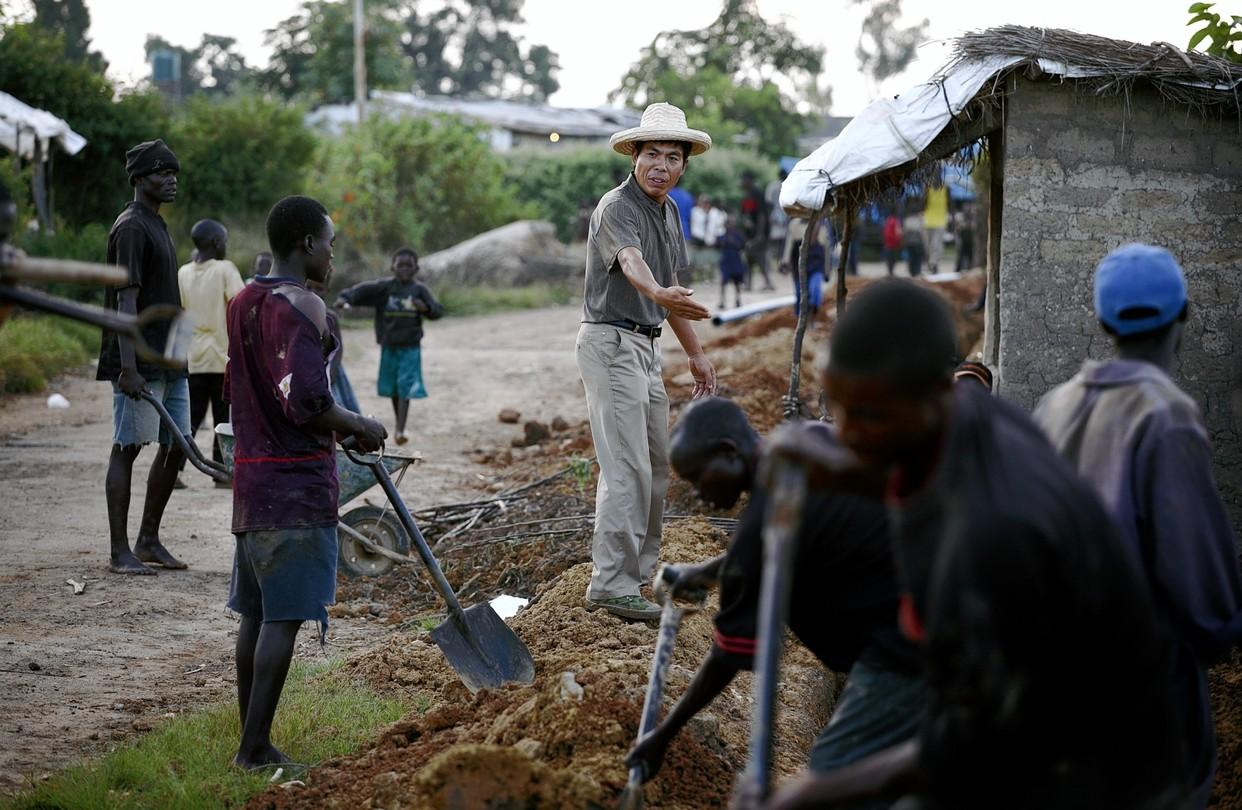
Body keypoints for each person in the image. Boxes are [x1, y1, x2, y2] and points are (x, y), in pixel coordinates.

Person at [764, 280, 1189, 809]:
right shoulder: (968, 416)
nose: (845, 433)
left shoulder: (994, 532)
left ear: (936, 394)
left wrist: (812, 793)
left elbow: (972, 739)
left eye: (869, 415)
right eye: (837, 407)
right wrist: (830, 462)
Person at [625, 397, 923, 801]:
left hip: (902, 651)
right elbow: (774, 542)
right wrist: (707, 573)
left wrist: (662, 736)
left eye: (699, 477)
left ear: (729, 452)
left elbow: (725, 659)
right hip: (931, 600)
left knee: (833, 779)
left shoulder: (759, 532)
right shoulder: (804, 441)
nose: (698, 493)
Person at [1033, 244, 1242, 808]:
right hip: (1140, 712)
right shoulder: (1166, 416)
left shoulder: (1055, 406)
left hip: (1057, 699)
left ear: (1103, 322)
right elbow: (1207, 604)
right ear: (1185, 316)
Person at [225, 195, 386, 770]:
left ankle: (252, 740)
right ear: (307, 245)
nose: (334, 254)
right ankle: (254, 749)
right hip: (294, 486)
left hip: (251, 483)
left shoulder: (243, 299)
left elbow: (264, 389)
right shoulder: (303, 307)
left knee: (257, 613)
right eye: (330, 243)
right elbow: (311, 404)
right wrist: (360, 423)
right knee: (283, 618)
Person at [577, 102, 718, 621]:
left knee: (657, 465)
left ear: (684, 165)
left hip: (646, 345)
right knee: (626, 466)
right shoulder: (617, 207)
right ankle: (609, 584)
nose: (661, 165)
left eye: (673, 157)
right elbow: (635, 266)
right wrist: (657, 290)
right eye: (652, 154)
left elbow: (673, 295)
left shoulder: (671, 211)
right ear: (634, 156)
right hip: (610, 343)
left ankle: (639, 577)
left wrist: (697, 354)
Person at [97, 139, 190, 576]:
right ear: (138, 178)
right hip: (140, 362)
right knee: (128, 447)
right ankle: (120, 552)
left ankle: (148, 539)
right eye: (161, 172)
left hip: (169, 359)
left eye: (173, 172)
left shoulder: (157, 223)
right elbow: (125, 303)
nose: (170, 179)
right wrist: (128, 367)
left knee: (178, 446)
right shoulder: (131, 227)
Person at [335, 247, 443, 445]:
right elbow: (361, 291)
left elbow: (437, 311)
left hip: (410, 347)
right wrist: (345, 298)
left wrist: (426, 308)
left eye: (408, 266)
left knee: (405, 386)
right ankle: (399, 425)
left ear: (416, 268)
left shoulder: (420, 290)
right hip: (389, 346)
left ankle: (400, 429)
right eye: (399, 265)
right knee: (394, 388)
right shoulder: (385, 288)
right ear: (393, 267)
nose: (403, 269)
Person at [177, 219, 244, 482]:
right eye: (224, 241)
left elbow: (179, 314)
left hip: (193, 357)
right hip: (221, 356)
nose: (226, 245)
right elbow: (241, 303)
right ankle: (221, 471)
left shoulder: (183, 273)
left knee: (190, 418)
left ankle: (175, 470)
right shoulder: (225, 269)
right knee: (222, 416)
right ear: (216, 243)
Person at [739, 171, 774, 292]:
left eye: (743, 180)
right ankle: (749, 284)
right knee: (749, 258)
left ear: (749, 180)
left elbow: (761, 215)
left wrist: (760, 234)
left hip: (759, 233)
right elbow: (745, 214)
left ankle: (768, 282)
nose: (741, 182)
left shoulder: (756, 193)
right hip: (750, 233)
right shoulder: (746, 195)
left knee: (759, 257)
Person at [717, 215, 746, 310]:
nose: (729, 225)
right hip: (726, 262)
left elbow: (742, 246)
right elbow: (717, 245)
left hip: (735, 262)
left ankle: (738, 300)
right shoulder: (722, 236)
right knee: (723, 283)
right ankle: (722, 301)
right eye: (727, 223)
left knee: (737, 283)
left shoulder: (737, 235)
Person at [921, 185, 948, 274]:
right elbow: (922, 204)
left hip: (940, 222)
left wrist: (953, 220)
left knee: (936, 245)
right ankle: (930, 264)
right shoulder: (927, 189)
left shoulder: (946, 189)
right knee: (928, 247)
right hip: (927, 222)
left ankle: (934, 264)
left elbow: (950, 205)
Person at [901, 205, 925, 278]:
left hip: (909, 243)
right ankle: (917, 272)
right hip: (917, 243)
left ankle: (912, 273)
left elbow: (904, 232)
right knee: (918, 258)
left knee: (911, 258)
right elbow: (921, 232)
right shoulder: (919, 219)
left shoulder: (907, 219)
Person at [882, 210, 902, 276]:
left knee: (889, 259)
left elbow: (885, 232)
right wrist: (899, 240)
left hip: (887, 243)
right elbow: (898, 232)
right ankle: (891, 272)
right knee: (893, 258)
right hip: (894, 243)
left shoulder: (887, 220)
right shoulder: (896, 221)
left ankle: (890, 272)